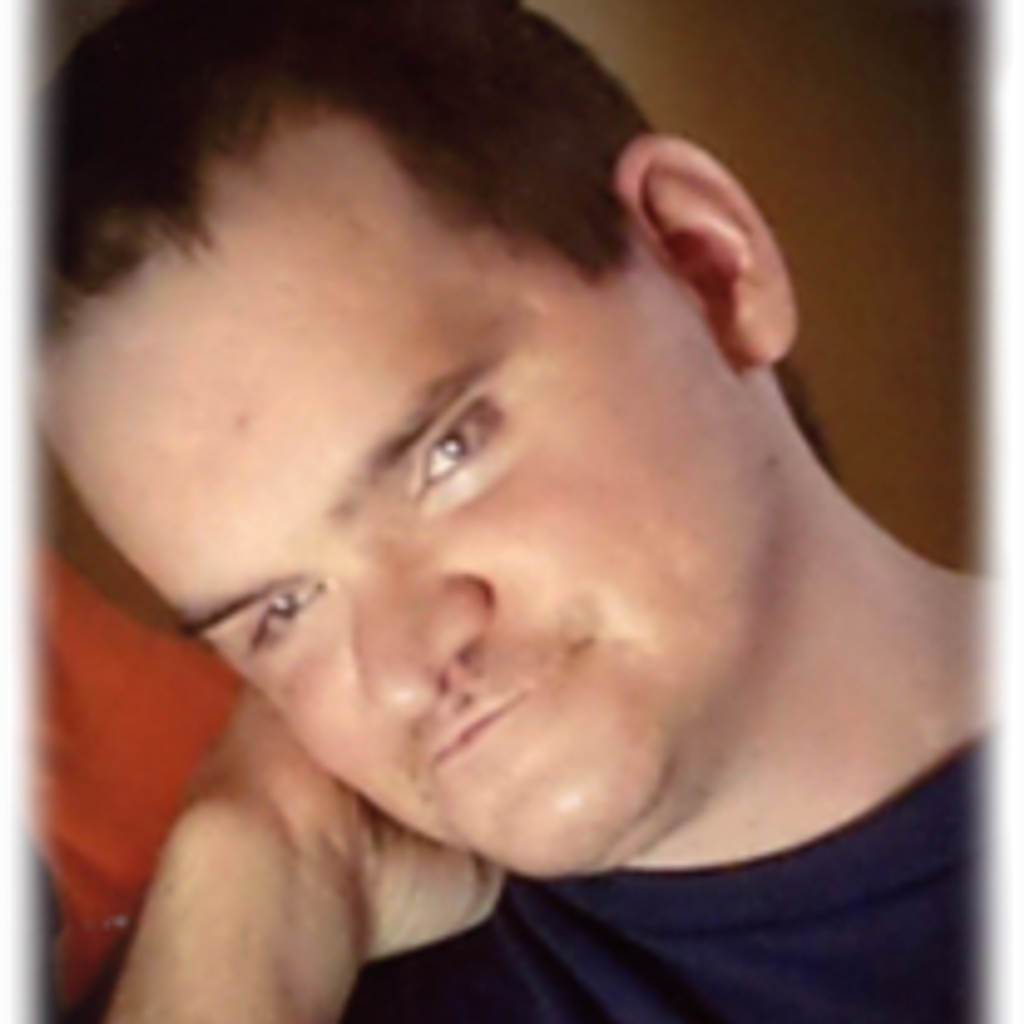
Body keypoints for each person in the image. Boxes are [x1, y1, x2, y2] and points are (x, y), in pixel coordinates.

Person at [39, 0, 983, 1020]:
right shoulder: (231, 976)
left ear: (708, 267)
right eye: (280, 611)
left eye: (445, 454)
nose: (405, 667)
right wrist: (241, 885)